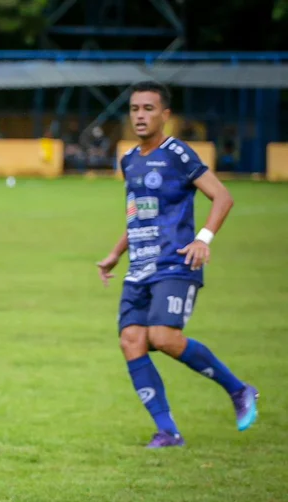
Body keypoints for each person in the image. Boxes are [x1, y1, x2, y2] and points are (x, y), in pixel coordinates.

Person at [95, 81, 258, 448]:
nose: (140, 115)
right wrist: (116, 253)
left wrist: (203, 238)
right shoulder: (129, 160)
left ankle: (239, 390)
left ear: (165, 115)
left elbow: (222, 197)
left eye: (148, 109)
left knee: (163, 337)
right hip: (140, 265)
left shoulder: (178, 154)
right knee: (131, 340)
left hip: (176, 262)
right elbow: (137, 214)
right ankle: (168, 431)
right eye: (135, 109)